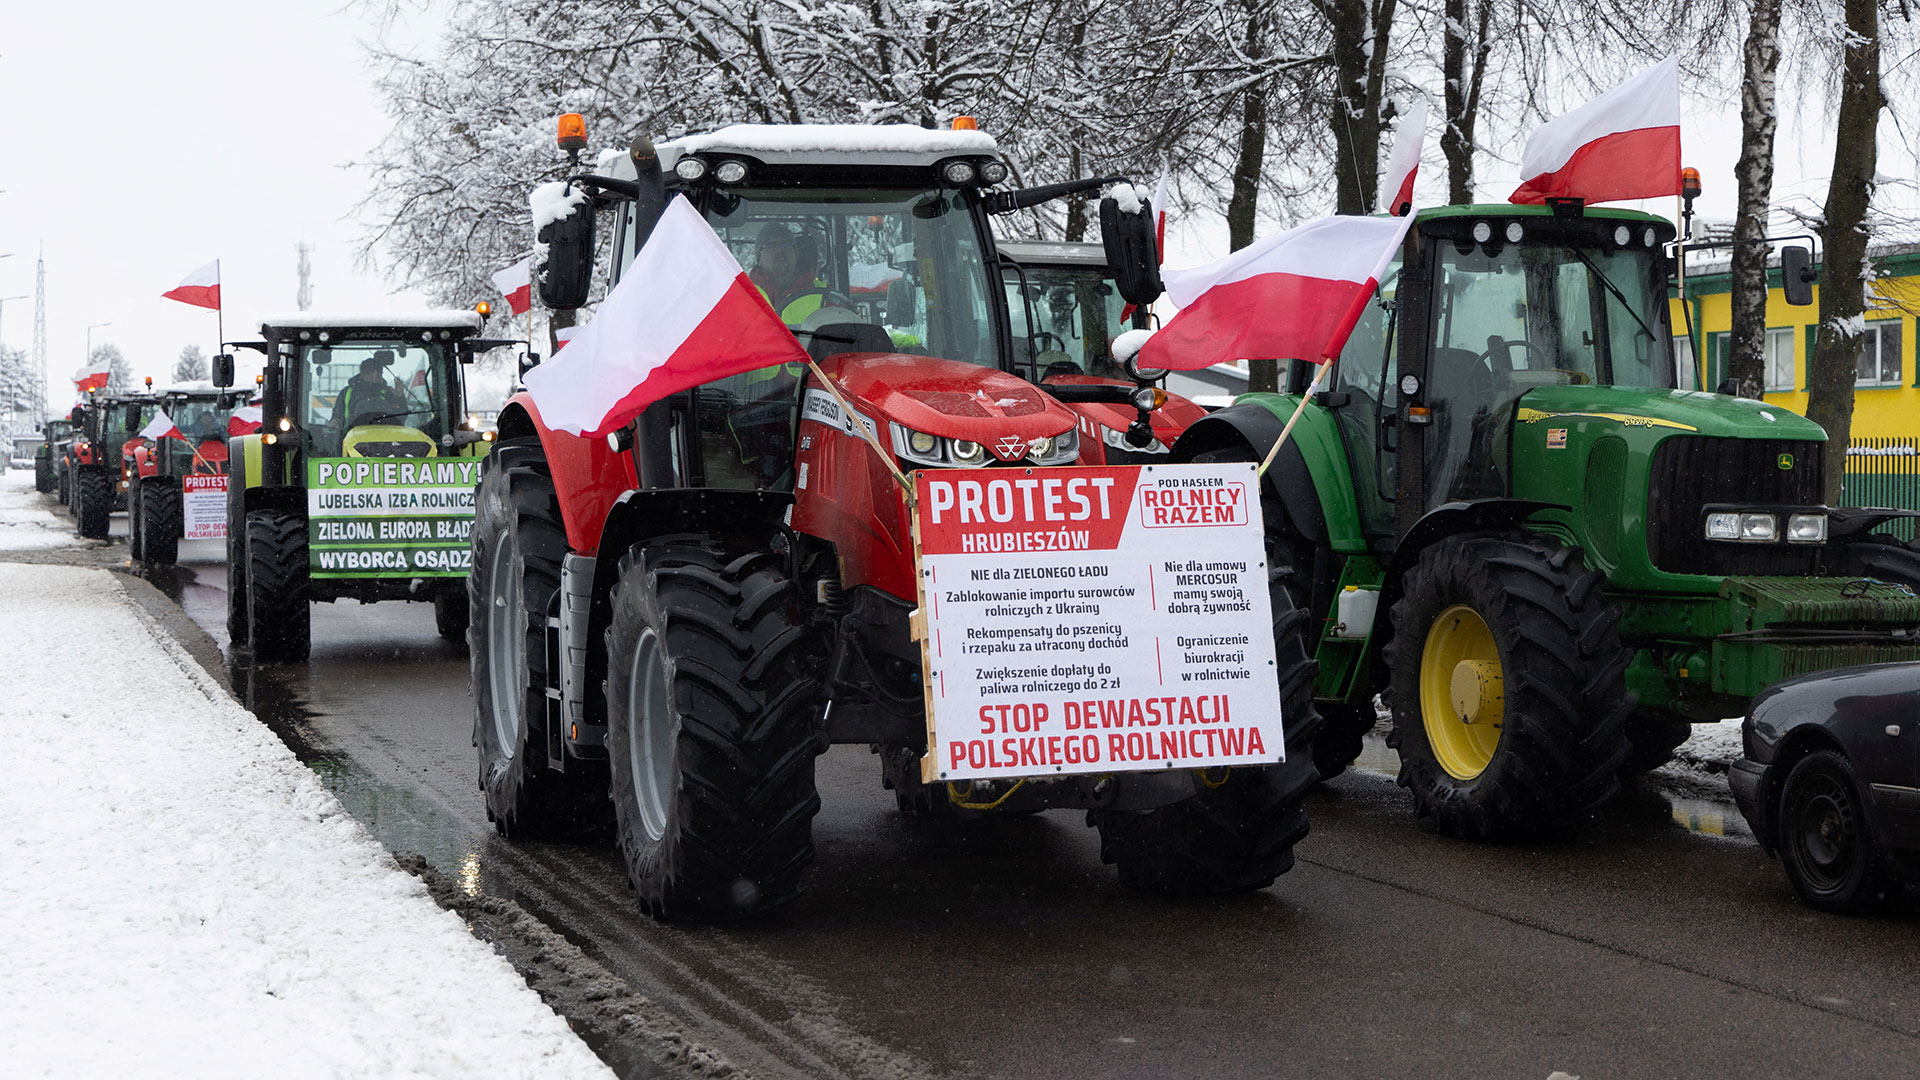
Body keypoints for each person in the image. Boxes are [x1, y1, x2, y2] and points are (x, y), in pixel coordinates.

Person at [332, 354, 411, 430]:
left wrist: (400, 397)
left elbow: (401, 417)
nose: (380, 377)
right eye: (376, 374)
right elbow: (337, 416)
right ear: (364, 374)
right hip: (352, 439)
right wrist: (334, 422)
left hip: (386, 438)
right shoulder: (347, 393)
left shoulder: (389, 393)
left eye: (380, 373)